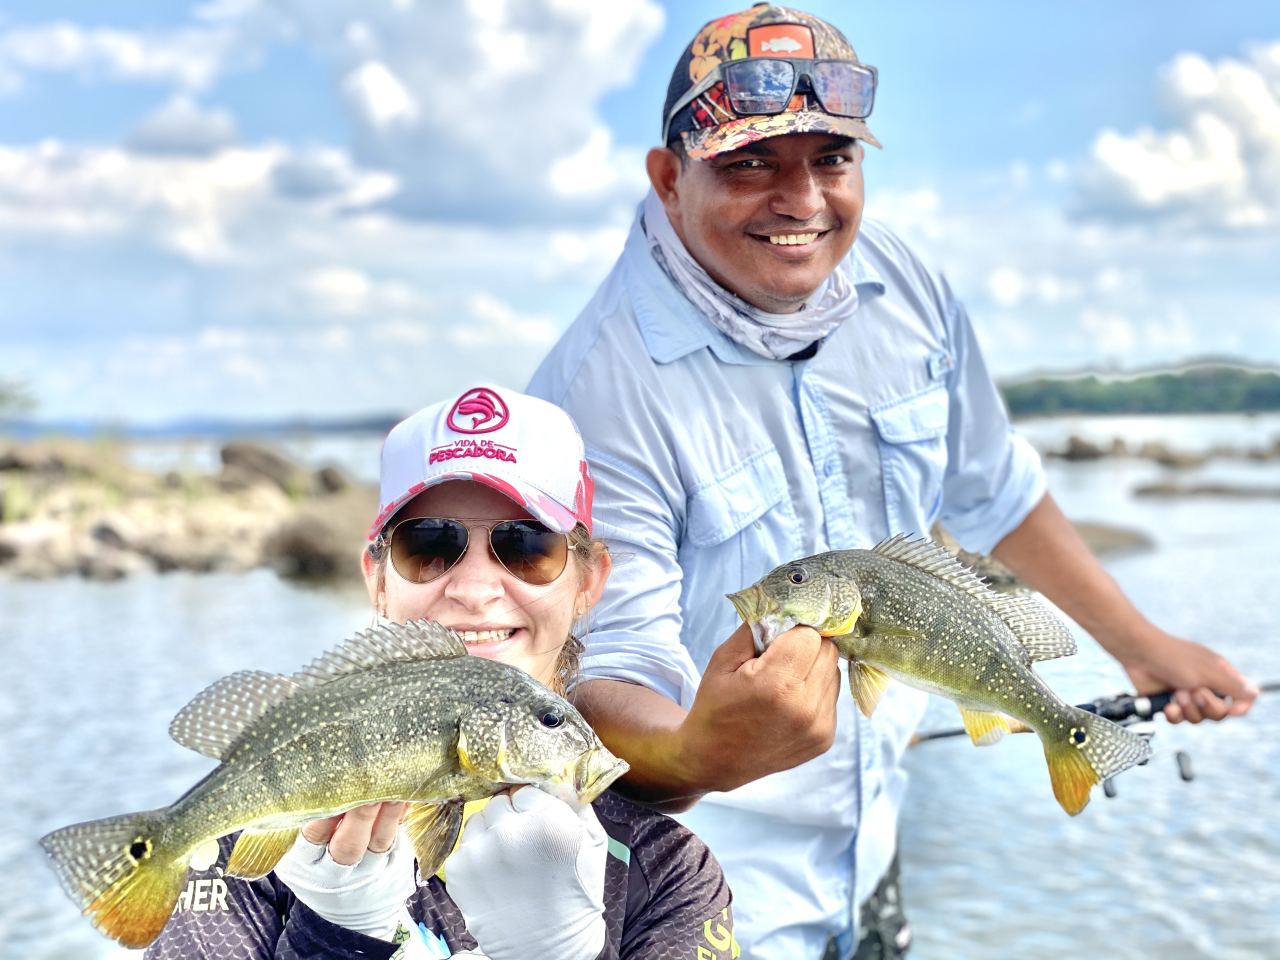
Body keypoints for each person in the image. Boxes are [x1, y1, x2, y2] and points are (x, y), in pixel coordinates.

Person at [527, 5, 1260, 959]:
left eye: (831, 159)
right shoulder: (593, 392)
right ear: (670, 178)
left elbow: (994, 491)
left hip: (874, 854)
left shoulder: (905, 285)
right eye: (750, 163)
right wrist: (699, 752)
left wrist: (1141, 645)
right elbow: (597, 677)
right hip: (709, 893)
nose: (801, 200)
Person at [147, 384, 737, 960]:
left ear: (589, 581)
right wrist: (332, 935)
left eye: (527, 545)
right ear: (377, 579)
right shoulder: (225, 851)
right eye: (428, 545)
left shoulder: (668, 875)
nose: (477, 590)